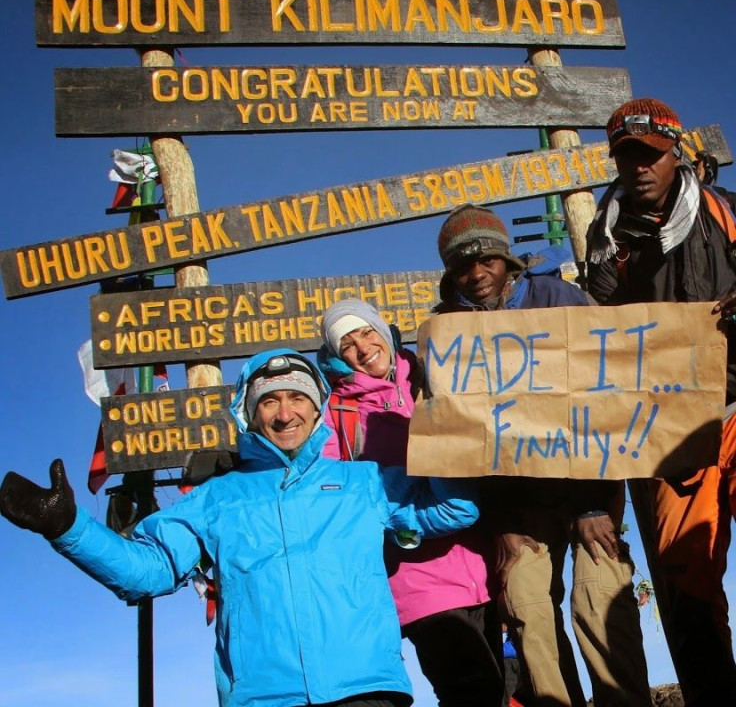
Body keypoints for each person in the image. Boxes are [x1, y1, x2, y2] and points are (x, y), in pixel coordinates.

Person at [0, 348, 482, 707]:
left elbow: (454, 511)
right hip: (262, 697)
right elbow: (146, 572)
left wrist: (439, 436)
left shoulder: (363, 481)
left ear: (318, 409)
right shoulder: (218, 498)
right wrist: (67, 527)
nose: (285, 412)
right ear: (249, 413)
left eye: (297, 397)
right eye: (269, 401)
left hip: (366, 690)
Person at [435, 203, 652, 707]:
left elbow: (609, 395)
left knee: (600, 605)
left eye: (485, 260)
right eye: (463, 266)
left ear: (504, 259)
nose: (476, 274)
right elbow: (460, 439)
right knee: (530, 612)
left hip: (588, 492)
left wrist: (594, 503)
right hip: (517, 511)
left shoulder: (558, 298)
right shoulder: (446, 330)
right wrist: (502, 525)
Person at [586, 97, 736, 706]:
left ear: (677, 154)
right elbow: (591, 333)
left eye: (649, 155)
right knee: (684, 576)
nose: (638, 168)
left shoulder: (725, 218)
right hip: (672, 431)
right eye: (626, 156)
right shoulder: (606, 241)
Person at [317, 298, 504, 707]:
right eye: (346, 344)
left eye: (366, 332)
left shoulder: (431, 373)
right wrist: (407, 509)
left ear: (383, 331)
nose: (363, 348)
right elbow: (335, 492)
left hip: (484, 563)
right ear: (335, 356)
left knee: (503, 688)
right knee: (470, 691)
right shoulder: (337, 414)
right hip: (418, 580)